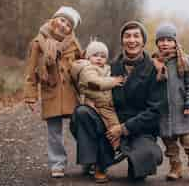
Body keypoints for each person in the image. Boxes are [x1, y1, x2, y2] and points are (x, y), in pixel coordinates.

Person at [70, 21, 164, 183]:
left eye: (136, 36)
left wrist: (124, 128)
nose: (132, 40)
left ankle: (134, 161)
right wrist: (90, 101)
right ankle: (95, 161)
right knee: (82, 112)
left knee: (148, 157)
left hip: (139, 128)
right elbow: (89, 83)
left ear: (143, 41)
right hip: (110, 126)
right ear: (122, 41)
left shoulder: (154, 70)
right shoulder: (110, 67)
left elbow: (155, 111)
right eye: (127, 36)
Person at [24, 6, 82, 178]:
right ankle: (57, 163)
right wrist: (30, 95)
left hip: (71, 92)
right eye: (62, 20)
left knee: (81, 126)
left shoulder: (73, 43)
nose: (64, 25)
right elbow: (31, 70)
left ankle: (89, 159)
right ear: (54, 19)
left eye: (69, 25)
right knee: (54, 131)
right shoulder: (38, 42)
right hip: (51, 90)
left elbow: (83, 62)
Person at [152, 23, 189, 182]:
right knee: (170, 145)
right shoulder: (155, 62)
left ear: (175, 41)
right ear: (157, 43)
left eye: (169, 39)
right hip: (164, 113)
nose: (165, 43)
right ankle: (176, 167)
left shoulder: (185, 60)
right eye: (161, 40)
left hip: (183, 110)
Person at [70, 40, 124, 150]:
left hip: (107, 104)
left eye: (103, 56)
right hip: (96, 105)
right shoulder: (86, 69)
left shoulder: (106, 68)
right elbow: (95, 82)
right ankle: (114, 145)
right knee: (106, 125)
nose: (99, 58)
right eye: (95, 55)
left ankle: (115, 146)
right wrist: (113, 81)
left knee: (115, 124)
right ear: (88, 57)